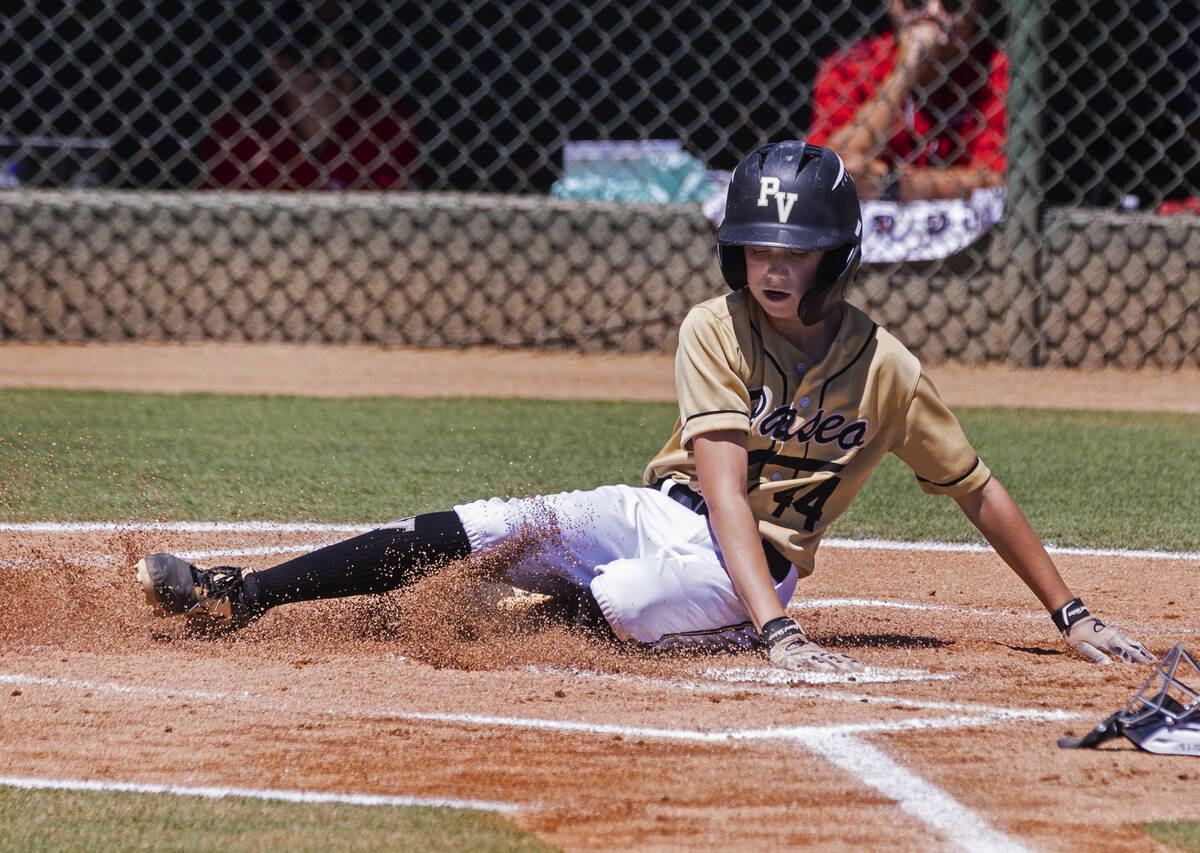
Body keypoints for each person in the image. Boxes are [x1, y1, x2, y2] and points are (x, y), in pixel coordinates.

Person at [136, 141, 1152, 672]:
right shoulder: (713, 327)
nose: (773, 268)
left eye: (795, 253)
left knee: (625, 602)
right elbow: (713, 482)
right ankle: (242, 595)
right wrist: (778, 638)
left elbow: (975, 491)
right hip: (663, 510)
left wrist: (1071, 612)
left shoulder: (889, 369)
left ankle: (508, 625)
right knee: (486, 526)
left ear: (839, 259)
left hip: (753, 569)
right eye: (758, 247)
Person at [807, 0, 1007, 202]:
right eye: (915, 2)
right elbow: (824, 172)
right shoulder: (849, 66)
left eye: (952, 4)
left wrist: (891, 183)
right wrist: (904, 73)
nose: (932, 13)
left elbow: (996, 179)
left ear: (977, 9)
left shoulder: (995, 70)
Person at [203, 25, 420, 191]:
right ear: (278, 65)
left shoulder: (386, 124)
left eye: (341, 58)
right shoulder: (240, 127)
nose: (328, 73)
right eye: (309, 58)